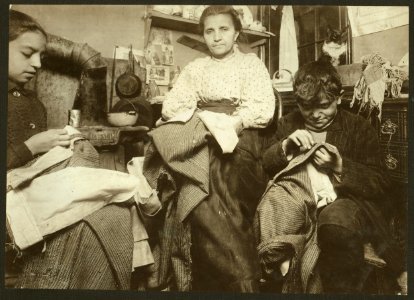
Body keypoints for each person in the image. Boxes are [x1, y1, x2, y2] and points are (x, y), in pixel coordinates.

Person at [6, 10, 156, 290]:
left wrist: (57, 145)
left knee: (112, 213)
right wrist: (31, 147)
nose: (37, 64)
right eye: (28, 53)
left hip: (32, 184)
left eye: (41, 55)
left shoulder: (31, 102)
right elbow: (24, 155)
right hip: (13, 195)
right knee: (100, 196)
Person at [143, 5, 275, 292]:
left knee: (217, 182)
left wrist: (232, 125)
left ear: (237, 32)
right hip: (202, 129)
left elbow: (263, 108)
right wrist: (203, 120)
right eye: (209, 31)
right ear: (203, 35)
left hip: (243, 136)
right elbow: (173, 105)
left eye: (224, 29)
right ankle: (216, 277)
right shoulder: (196, 68)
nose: (216, 37)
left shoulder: (250, 64)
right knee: (191, 180)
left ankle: (241, 281)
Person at [255, 60, 406, 293]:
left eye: (323, 106)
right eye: (306, 107)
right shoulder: (288, 124)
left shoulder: (358, 127)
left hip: (343, 203)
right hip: (299, 203)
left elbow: (381, 182)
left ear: (338, 98)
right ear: (298, 103)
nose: (315, 115)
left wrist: (339, 166)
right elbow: (264, 165)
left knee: (336, 222)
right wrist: (285, 147)